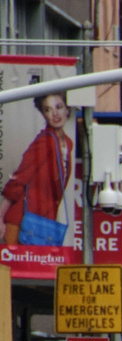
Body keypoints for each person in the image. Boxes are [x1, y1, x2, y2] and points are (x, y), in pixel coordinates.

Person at [0, 93, 75, 246]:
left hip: (44, 222)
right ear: (43, 114)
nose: (55, 114)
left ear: (67, 109)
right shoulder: (44, 141)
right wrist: (0, 217)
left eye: (59, 107)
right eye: (47, 110)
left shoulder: (67, 143)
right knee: (14, 268)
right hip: (22, 221)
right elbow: (18, 178)